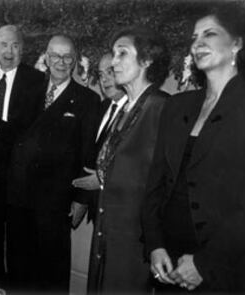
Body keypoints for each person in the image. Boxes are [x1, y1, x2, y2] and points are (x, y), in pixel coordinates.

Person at [141, 3, 245, 294]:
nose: (198, 43)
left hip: (223, 268)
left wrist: (204, 264)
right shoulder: (178, 105)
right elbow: (155, 183)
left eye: (210, 34)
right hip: (167, 261)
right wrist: (155, 245)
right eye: (194, 37)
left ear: (237, 43)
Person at [74, 27, 171, 294]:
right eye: (114, 54)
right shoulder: (125, 108)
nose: (114, 62)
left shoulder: (162, 108)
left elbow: (165, 185)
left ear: (147, 60)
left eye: (122, 54)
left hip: (134, 245)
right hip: (108, 236)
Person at [6, 34, 100, 293]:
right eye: (55, 55)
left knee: (51, 273)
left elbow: (88, 155)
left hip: (54, 201)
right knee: (18, 268)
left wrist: (81, 199)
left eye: (67, 56)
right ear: (46, 58)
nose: (60, 61)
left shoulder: (87, 100)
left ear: (75, 61)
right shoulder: (30, 92)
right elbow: (14, 135)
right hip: (19, 196)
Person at [0, 24, 45, 279]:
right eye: (4, 45)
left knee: (18, 233)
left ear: (23, 49)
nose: (9, 51)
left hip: (20, 166)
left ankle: (17, 285)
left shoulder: (35, 80)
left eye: (15, 45)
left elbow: (29, 128)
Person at [71, 53, 126, 223]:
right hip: (98, 208)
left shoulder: (137, 110)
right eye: (101, 75)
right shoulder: (103, 106)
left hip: (122, 210)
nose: (105, 80)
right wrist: (81, 200)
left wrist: (104, 179)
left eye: (111, 72)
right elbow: (90, 158)